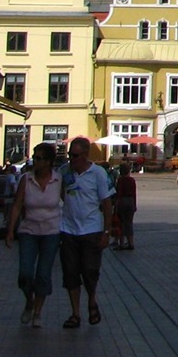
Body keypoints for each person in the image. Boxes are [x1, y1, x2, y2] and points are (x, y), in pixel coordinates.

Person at [5, 141, 63, 328]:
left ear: (48, 162)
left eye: (38, 158)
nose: (34, 161)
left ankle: (37, 311)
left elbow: (70, 201)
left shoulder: (58, 180)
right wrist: (10, 231)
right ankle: (29, 301)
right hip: (28, 230)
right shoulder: (26, 179)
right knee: (25, 274)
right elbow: (17, 206)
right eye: (34, 157)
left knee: (43, 274)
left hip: (51, 232)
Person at [58, 137, 114, 329]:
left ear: (85, 155)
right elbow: (60, 194)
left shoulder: (98, 173)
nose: (71, 159)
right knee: (70, 272)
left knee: (90, 270)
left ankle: (92, 299)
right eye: (69, 155)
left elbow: (107, 203)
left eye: (74, 155)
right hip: (68, 229)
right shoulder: (64, 172)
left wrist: (107, 231)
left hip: (92, 229)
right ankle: (75, 313)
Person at [113, 166, 137, 249]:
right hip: (130, 201)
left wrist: (116, 204)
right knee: (129, 223)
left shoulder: (120, 180)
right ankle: (131, 243)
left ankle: (121, 244)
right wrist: (134, 204)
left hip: (122, 201)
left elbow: (119, 192)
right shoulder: (132, 180)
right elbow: (134, 193)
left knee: (121, 223)